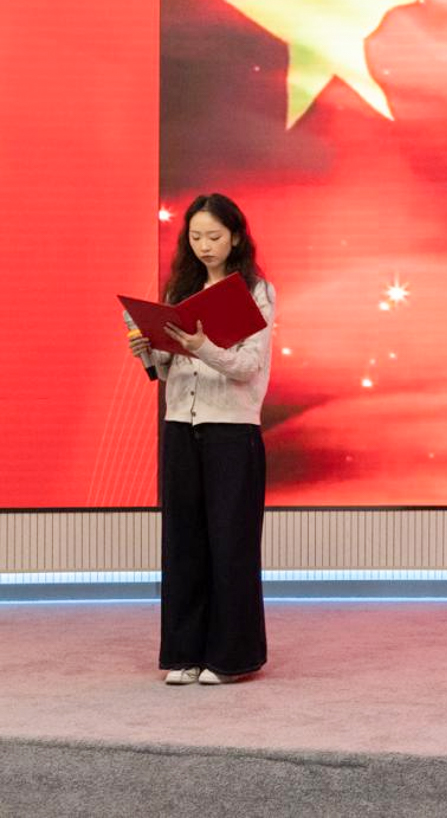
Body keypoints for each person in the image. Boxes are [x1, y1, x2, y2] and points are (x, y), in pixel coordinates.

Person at [128, 193, 276, 686]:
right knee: (183, 541)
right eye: (195, 237)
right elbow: (166, 370)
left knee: (230, 543)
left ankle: (232, 658)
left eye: (213, 236)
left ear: (235, 236)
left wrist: (203, 346)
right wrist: (148, 350)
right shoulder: (181, 289)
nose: (204, 246)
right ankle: (185, 654)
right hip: (180, 427)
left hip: (232, 430)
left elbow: (248, 366)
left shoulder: (256, 290)